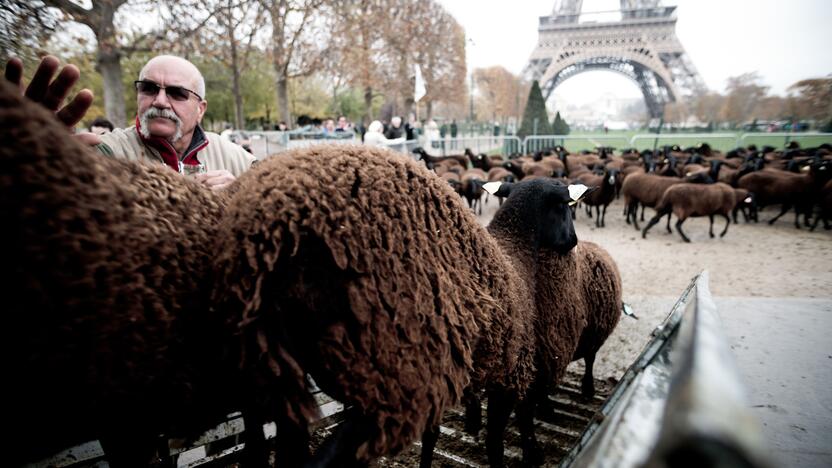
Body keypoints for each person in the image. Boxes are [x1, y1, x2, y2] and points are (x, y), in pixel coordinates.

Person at [6, 55, 255, 191]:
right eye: (148, 88)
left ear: (200, 109)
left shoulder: (233, 156)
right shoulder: (106, 152)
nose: (159, 101)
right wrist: (29, 162)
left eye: (177, 93)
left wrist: (241, 196)